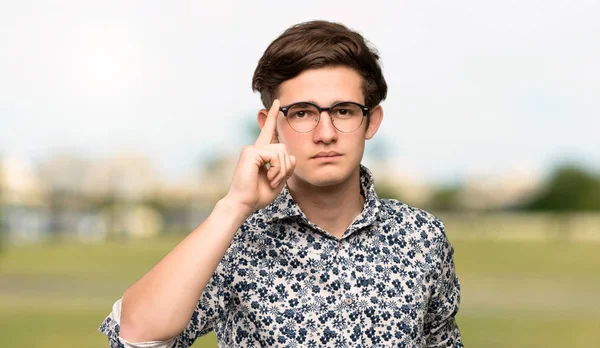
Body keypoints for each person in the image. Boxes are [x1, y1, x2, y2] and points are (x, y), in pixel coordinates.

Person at [99, 20, 463, 347]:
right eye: (303, 113)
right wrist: (234, 207)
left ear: (371, 121)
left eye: (343, 111)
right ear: (269, 125)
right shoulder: (235, 238)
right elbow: (134, 337)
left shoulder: (422, 237)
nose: (325, 134)